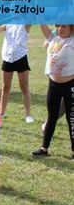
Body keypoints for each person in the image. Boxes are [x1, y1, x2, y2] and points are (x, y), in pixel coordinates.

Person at [32, 24, 74, 160]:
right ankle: (44, 148)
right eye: (58, 26)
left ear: (72, 29)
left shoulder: (72, 41)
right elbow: (42, 24)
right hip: (53, 84)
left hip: (70, 85)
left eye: (64, 27)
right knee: (52, 116)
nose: (60, 29)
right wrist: (36, 8)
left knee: (71, 118)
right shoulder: (53, 39)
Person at [0, 25, 33, 122]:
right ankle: (2, 112)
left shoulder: (25, 24)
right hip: (8, 57)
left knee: (24, 86)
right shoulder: (8, 23)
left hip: (21, 57)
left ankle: (28, 114)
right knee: (5, 86)